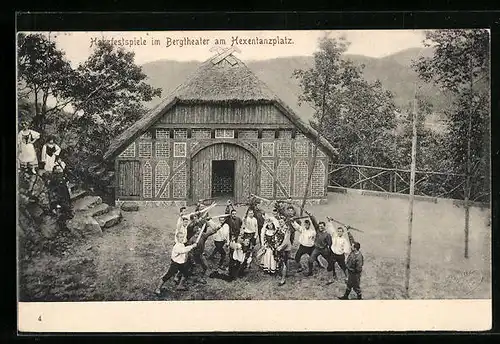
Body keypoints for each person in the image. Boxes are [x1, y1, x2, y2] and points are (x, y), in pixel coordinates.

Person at [305, 210, 333, 277]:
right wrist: (310, 215)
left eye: (322, 226)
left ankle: (332, 272)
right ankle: (310, 272)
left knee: (330, 261)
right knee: (310, 260)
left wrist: (330, 251)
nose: (320, 227)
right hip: (316, 249)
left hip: (324, 250)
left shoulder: (327, 235)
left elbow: (330, 244)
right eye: (319, 226)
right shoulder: (317, 230)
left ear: (324, 226)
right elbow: (314, 222)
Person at [275, 219, 292, 286]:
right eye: (279, 222)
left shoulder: (287, 230)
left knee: (284, 262)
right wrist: (276, 244)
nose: (280, 223)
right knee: (282, 261)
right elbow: (276, 237)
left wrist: (280, 247)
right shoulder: (279, 229)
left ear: (284, 222)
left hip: (285, 249)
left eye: (281, 222)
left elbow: (286, 241)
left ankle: (283, 279)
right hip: (280, 248)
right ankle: (286, 273)